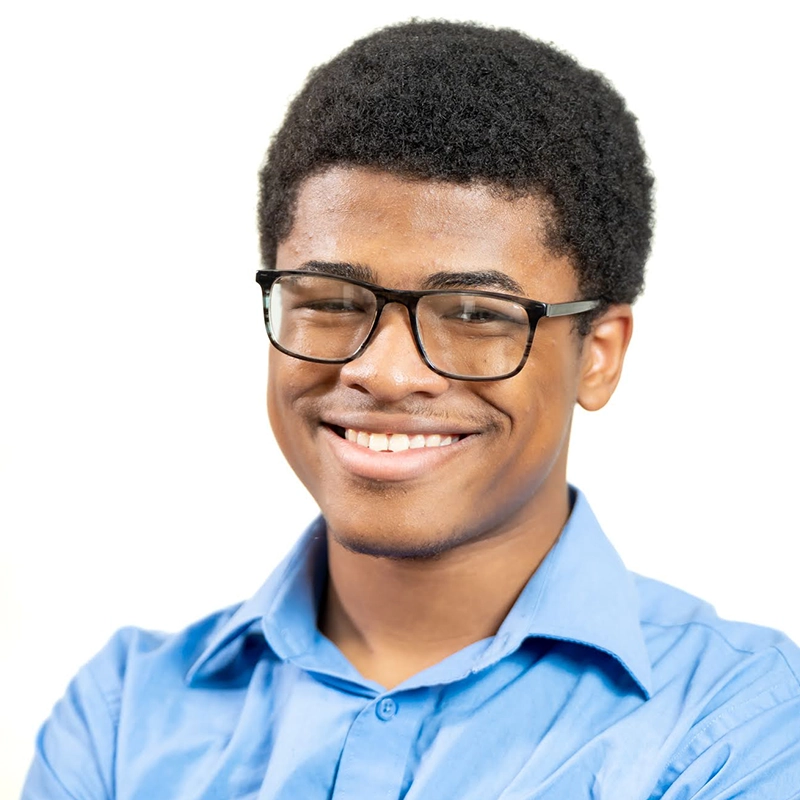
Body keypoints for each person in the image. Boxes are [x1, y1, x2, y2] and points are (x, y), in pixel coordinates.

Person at [22, 19, 800, 799]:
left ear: (599, 353)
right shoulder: (125, 716)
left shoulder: (737, 726)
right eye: (329, 300)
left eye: (474, 313)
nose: (384, 372)